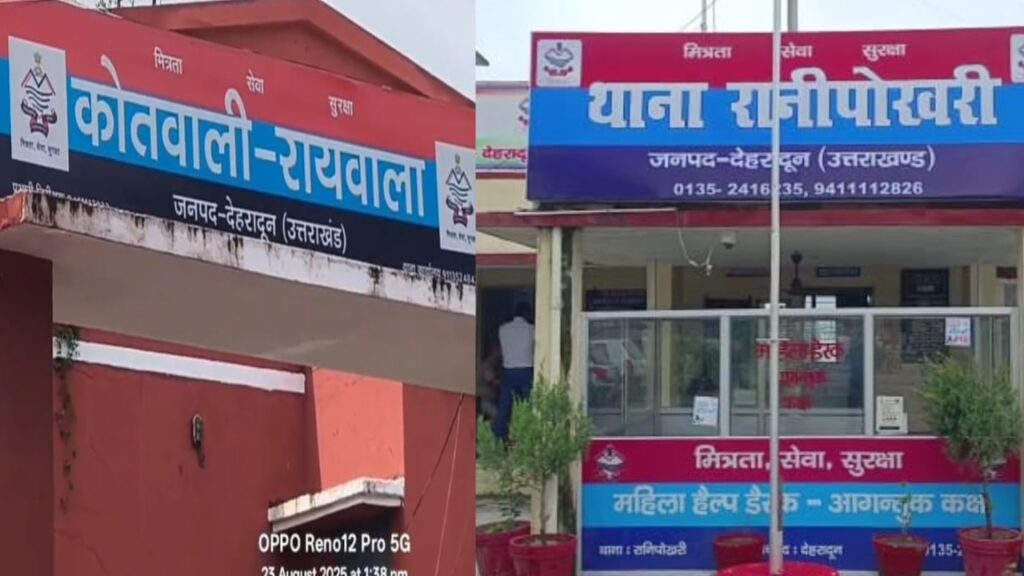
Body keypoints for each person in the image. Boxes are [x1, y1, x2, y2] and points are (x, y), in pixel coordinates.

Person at [492, 302, 535, 440]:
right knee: (528, 405)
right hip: (526, 370)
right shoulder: (532, 329)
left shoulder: (503, 329)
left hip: (508, 371)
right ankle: (528, 436)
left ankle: (497, 438)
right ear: (527, 314)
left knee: (504, 407)